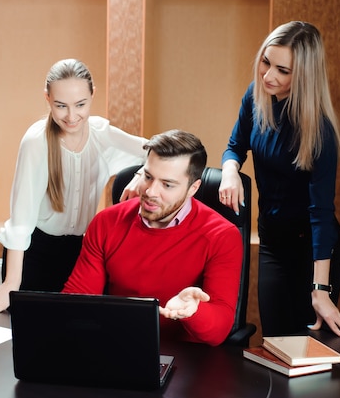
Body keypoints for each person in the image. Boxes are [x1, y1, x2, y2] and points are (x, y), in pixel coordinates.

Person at [219, 21, 340, 338]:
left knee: (305, 348)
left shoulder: (320, 131)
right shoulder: (257, 95)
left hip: (311, 246)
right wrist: (230, 172)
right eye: (266, 62)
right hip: (272, 240)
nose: (269, 76)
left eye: (283, 70)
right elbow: (235, 146)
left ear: (304, 76)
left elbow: (321, 213)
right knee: (276, 341)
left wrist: (320, 289)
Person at [0, 59, 148, 313]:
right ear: (47, 98)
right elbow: (21, 222)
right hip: (33, 252)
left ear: (92, 95)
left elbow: (155, 150)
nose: (72, 117)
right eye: (61, 106)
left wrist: (141, 174)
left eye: (80, 105)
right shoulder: (36, 142)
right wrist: (11, 283)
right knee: (31, 340)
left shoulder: (100, 133)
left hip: (77, 251)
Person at [63, 130, 243, 346]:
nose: (150, 192)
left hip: (185, 358)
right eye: (148, 177)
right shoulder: (106, 222)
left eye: (167, 184)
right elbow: (76, 303)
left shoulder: (222, 236)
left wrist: (193, 312)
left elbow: (219, 331)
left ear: (192, 188)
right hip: (115, 345)